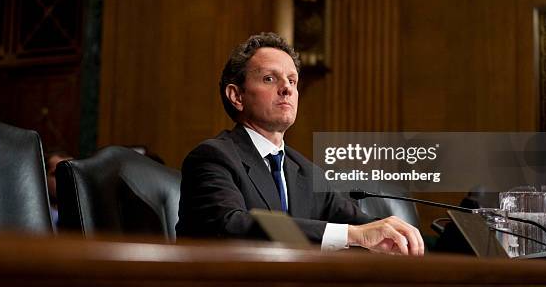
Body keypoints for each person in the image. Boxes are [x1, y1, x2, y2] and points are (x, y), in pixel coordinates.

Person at [177, 32, 423, 255]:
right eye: (270, 78)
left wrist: (394, 235)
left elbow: (362, 225)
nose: (286, 88)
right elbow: (231, 225)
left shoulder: (305, 172)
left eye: (292, 81)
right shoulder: (213, 157)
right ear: (237, 96)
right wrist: (351, 235)